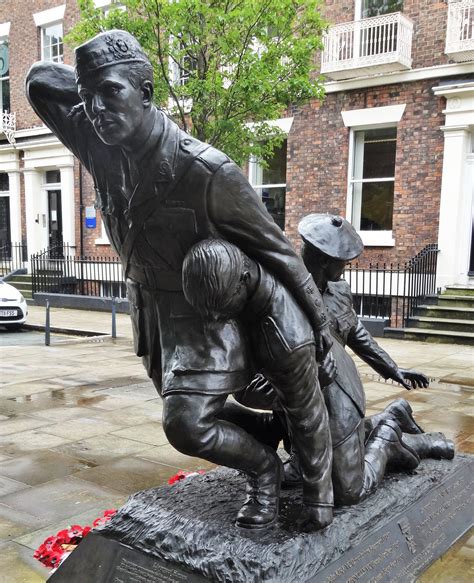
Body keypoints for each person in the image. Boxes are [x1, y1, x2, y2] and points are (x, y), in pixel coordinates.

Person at [25, 30, 333, 530]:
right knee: (185, 413)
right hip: (149, 309)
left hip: (203, 313)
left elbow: (279, 251)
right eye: (87, 98)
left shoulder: (208, 172)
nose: (96, 107)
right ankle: (265, 432)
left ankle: (264, 470)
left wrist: (318, 324)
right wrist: (93, 83)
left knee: (186, 425)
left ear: (146, 94)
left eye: (113, 92)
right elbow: (39, 81)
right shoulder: (98, 140)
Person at [237, 214, 454, 505]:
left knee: (347, 491)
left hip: (339, 395)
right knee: (306, 466)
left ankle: (388, 440)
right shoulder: (279, 295)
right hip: (300, 400)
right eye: (344, 260)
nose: (348, 266)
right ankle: (390, 417)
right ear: (326, 261)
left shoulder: (339, 291)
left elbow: (358, 334)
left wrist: (392, 369)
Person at [182, 238, 334, 528]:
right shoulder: (229, 282)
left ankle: (393, 430)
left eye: (223, 307)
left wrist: (318, 500)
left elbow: (311, 417)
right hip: (279, 388)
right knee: (193, 416)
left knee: (349, 487)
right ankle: (269, 429)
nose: (215, 319)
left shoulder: (287, 336)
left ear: (244, 279)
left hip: (322, 399)